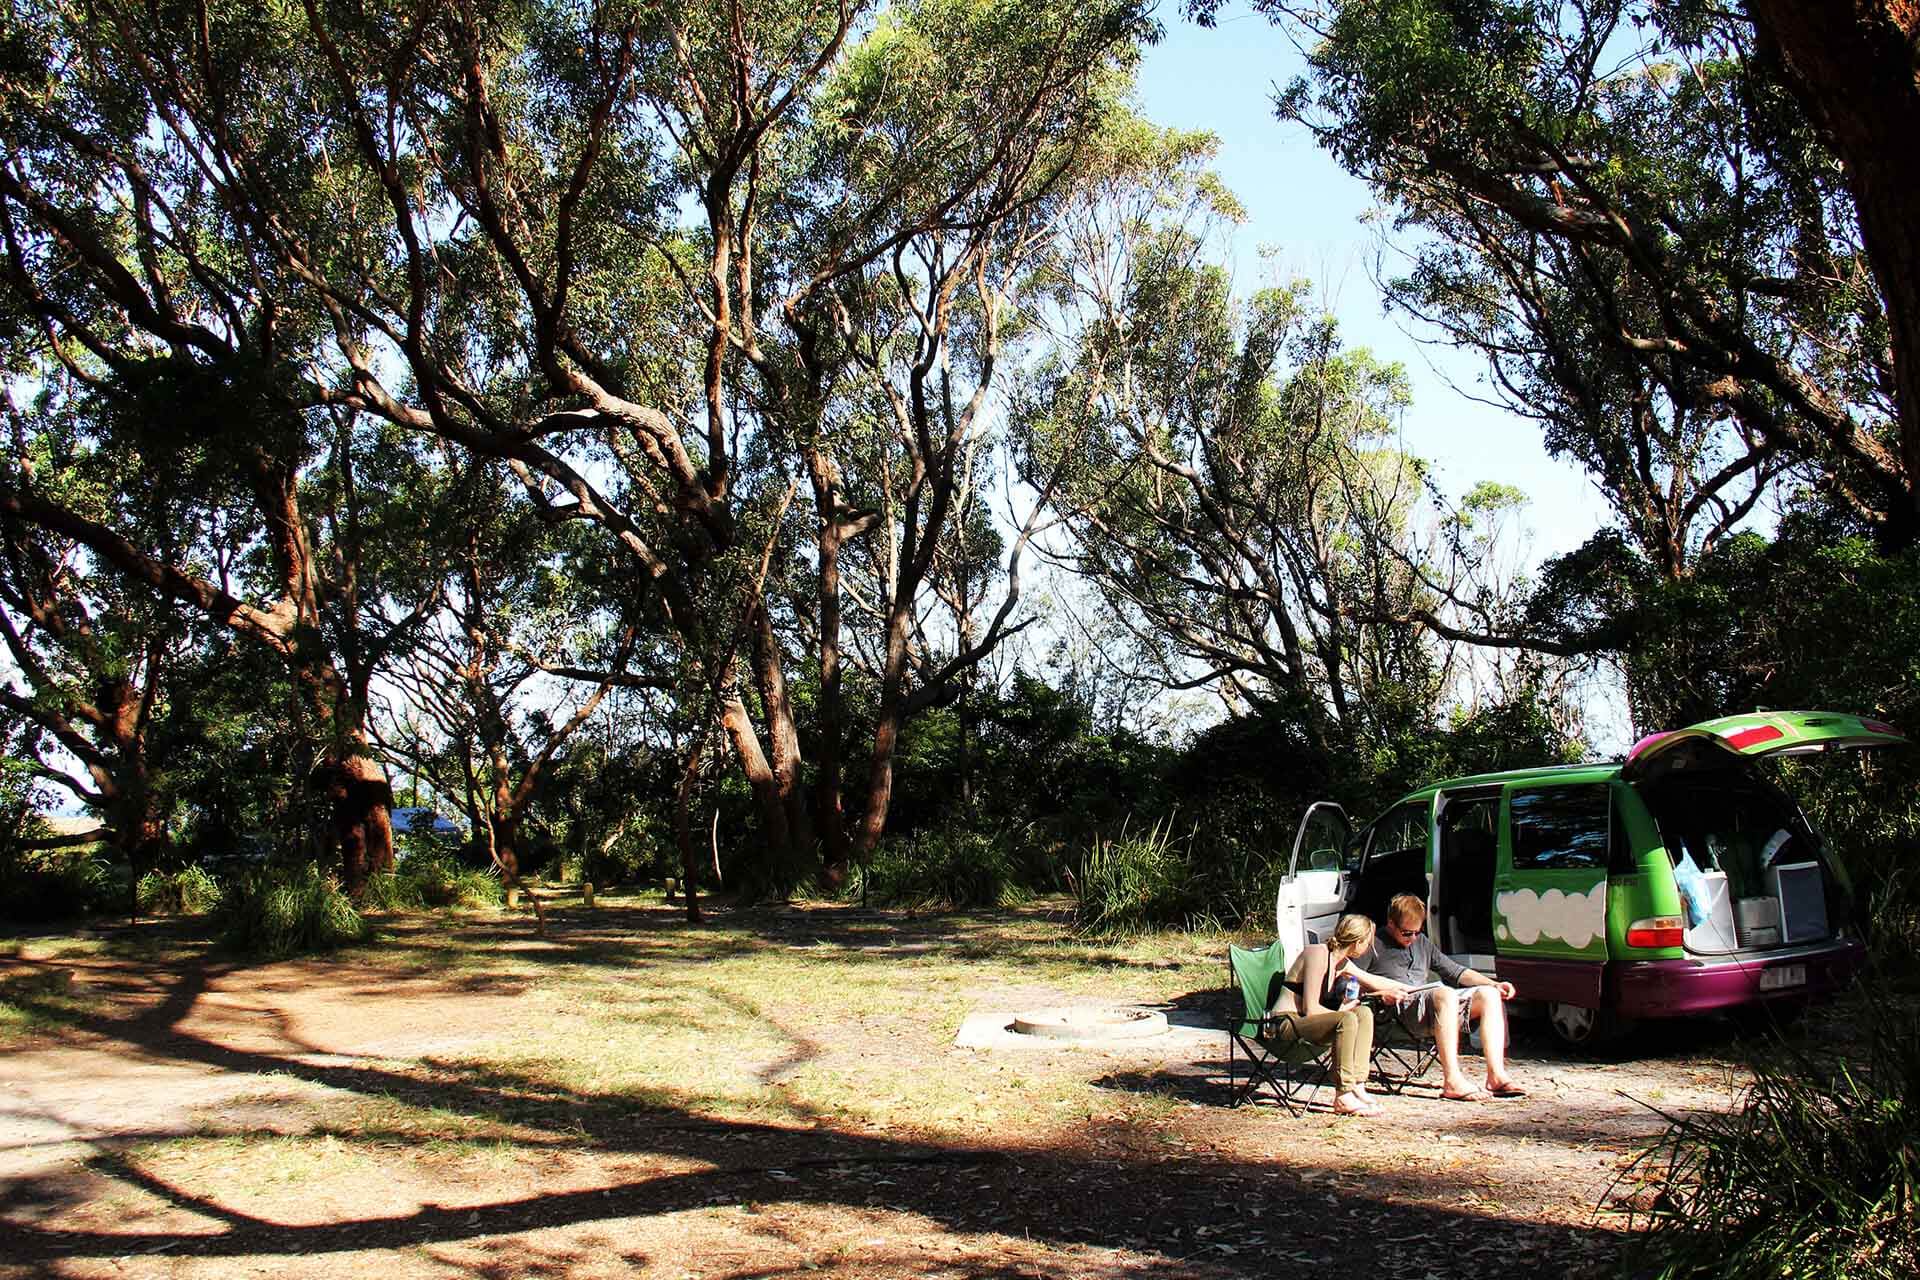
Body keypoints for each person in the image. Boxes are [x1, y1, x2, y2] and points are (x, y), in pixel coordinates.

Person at [1355, 893, 1528, 1101]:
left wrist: (1494, 983)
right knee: (1445, 993)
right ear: (1391, 923)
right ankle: (1452, 1080)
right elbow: (1348, 982)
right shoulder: (1372, 944)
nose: (1412, 939)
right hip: (1395, 1011)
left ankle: (1496, 1075)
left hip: (1433, 1006)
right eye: (1406, 933)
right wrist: (1379, 993)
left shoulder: (1422, 943)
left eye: (1417, 933)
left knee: (1489, 995)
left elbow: (1456, 972)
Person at [1267, 914, 1381, 1115]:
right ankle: (1343, 1094)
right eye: (1368, 943)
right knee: (1347, 1018)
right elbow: (1310, 1009)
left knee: (1363, 1012)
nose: (1369, 949)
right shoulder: (1318, 954)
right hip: (1284, 1023)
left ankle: (1358, 1083)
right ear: (1358, 942)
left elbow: (1373, 981)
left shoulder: (1341, 962)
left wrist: (1413, 991)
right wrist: (1341, 1011)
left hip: (1303, 1023)